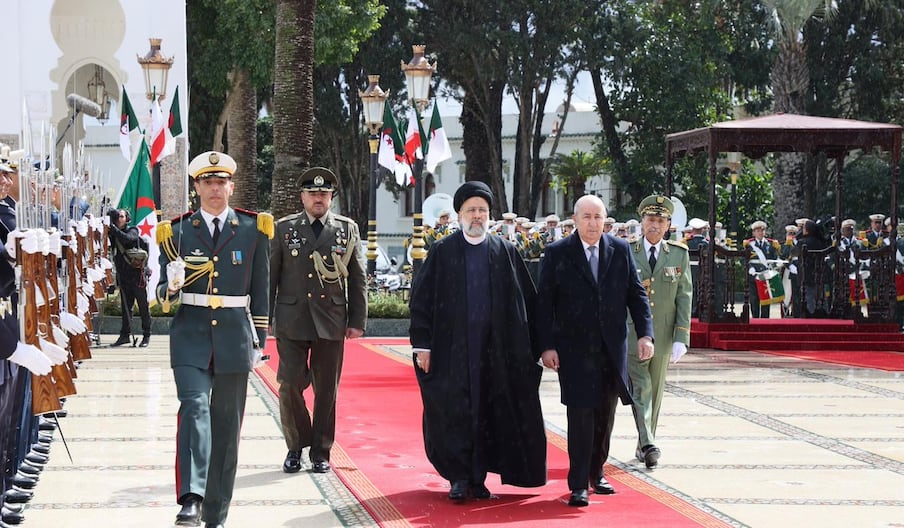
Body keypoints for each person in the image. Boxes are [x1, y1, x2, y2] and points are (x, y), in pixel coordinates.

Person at [409, 180, 547, 501]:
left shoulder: (505, 251)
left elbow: (528, 303)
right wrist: (423, 345)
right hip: (451, 351)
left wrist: (538, 347)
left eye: (482, 210)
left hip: (495, 352)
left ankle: (479, 477)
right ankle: (458, 477)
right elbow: (421, 301)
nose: (477, 216)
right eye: (471, 210)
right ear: (459, 215)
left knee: (488, 414)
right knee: (455, 412)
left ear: (489, 215)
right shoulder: (442, 251)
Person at [156, 151, 272, 527]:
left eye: (221, 182)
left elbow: (261, 290)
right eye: (208, 182)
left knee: (226, 427)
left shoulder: (254, 229)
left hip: (235, 338)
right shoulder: (176, 232)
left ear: (231, 187)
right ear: (197, 187)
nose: (215, 189)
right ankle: (191, 497)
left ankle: (216, 514)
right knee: (194, 407)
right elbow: (162, 291)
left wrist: (259, 341)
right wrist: (170, 287)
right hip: (190, 335)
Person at [535, 194, 654, 507]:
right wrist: (546, 346)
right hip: (573, 351)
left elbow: (637, 296)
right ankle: (578, 483)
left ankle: (596, 472)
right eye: (586, 217)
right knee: (580, 416)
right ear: (575, 219)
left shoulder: (620, 250)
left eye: (597, 217)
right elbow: (544, 304)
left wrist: (646, 335)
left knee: (604, 415)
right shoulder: (558, 253)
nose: (592, 223)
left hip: (610, 350)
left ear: (606, 220)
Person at [270, 167, 367, 476]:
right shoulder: (284, 229)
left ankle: (321, 451)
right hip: (292, 319)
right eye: (312, 193)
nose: (318, 199)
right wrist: (264, 318)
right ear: (302, 197)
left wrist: (357, 320)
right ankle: (296, 445)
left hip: (331, 320)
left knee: (326, 390)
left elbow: (358, 278)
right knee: (289, 384)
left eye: (324, 194)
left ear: (331, 197)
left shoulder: (346, 230)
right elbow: (270, 276)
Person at [626, 195, 692, 469]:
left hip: (664, 334)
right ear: (642, 222)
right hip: (633, 333)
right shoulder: (627, 251)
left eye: (660, 221)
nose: (655, 225)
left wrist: (681, 336)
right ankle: (649, 443)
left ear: (668, 225)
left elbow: (684, 296)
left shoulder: (678, 253)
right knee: (641, 389)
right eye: (650, 220)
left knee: (655, 393)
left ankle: (645, 442)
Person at [108, 208, 151, 347]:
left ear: (127, 218)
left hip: (137, 275)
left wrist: (113, 228)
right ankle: (125, 335)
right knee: (126, 308)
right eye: (117, 216)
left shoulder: (132, 230)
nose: (119, 219)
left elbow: (128, 239)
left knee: (143, 306)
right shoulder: (113, 234)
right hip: (123, 275)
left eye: (121, 216)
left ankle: (146, 335)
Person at [743, 221, 780, 318]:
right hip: (754, 275)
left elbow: (775, 258)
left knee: (766, 300)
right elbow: (745, 259)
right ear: (754, 232)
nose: (760, 233)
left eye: (762, 230)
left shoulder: (771, 244)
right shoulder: (749, 244)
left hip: (766, 275)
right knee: (754, 299)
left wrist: (777, 264)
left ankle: (765, 320)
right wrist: (750, 268)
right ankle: (755, 320)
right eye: (758, 231)